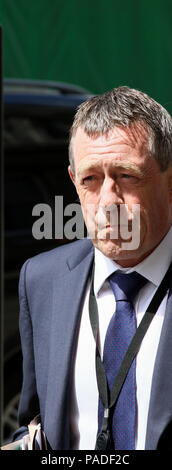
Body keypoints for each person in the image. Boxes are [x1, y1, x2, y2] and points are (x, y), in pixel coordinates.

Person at [13, 86, 172, 450]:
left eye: (127, 176)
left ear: (170, 179)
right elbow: (36, 428)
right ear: (73, 181)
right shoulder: (41, 280)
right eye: (91, 180)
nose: (107, 202)